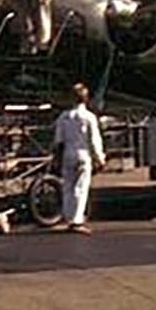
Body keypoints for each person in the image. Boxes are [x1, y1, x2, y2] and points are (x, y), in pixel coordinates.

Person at [51, 82, 105, 234]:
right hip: (83, 154)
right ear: (86, 99)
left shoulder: (63, 117)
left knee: (67, 187)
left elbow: (58, 140)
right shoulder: (89, 117)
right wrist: (99, 158)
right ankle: (77, 220)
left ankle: (68, 217)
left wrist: (56, 157)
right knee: (81, 188)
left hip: (67, 154)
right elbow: (94, 140)